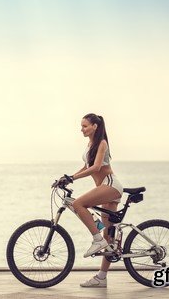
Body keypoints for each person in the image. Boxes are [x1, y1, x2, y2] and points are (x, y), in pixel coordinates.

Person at [56, 113, 124, 288]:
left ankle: (96, 239)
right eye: (81, 126)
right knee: (109, 237)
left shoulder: (102, 143)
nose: (82, 129)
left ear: (95, 126)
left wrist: (73, 178)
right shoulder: (90, 145)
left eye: (85, 126)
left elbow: (96, 167)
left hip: (110, 185)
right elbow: (87, 166)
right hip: (107, 188)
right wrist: (67, 178)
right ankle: (101, 277)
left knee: (78, 204)